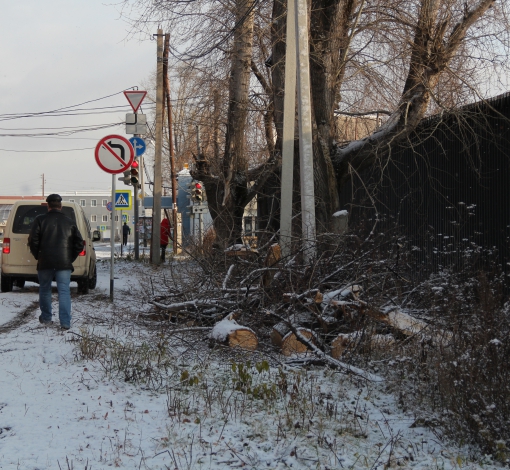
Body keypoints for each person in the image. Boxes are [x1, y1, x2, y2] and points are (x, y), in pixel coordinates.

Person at [28, 194, 84, 330]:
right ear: (61, 206)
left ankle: (46, 318)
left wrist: (38, 255)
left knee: (45, 289)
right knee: (64, 291)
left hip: (45, 261)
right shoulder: (69, 221)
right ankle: (65, 322)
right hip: (64, 263)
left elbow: (32, 241)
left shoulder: (40, 220)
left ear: (48, 206)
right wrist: (69, 258)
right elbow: (79, 243)